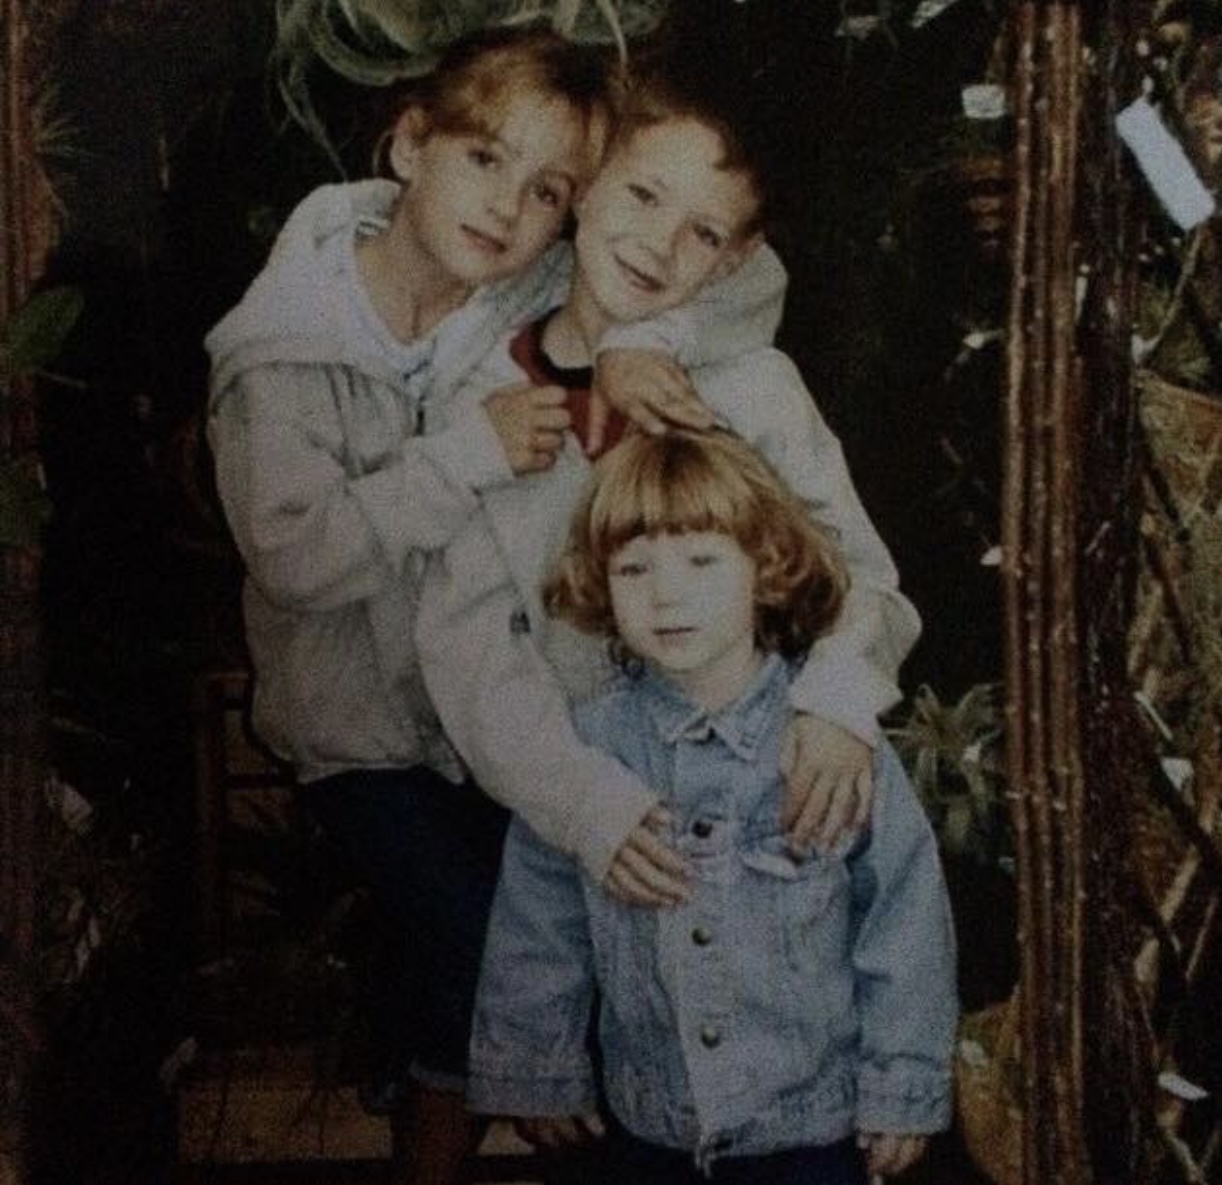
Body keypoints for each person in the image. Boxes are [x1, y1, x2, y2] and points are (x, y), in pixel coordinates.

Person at [205, 24, 785, 1185]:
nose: (508, 208)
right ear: (410, 141)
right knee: (489, 945)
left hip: (483, 720)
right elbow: (294, 559)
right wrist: (459, 459)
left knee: (500, 951)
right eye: (483, 162)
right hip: (361, 735)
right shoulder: (282, 349)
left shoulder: (507, 281)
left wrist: (642, 346)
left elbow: (749, 272)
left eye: (547, 191)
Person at [413, 51, 923, 911]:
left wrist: (837, 700)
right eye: (644, 196)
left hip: (755, 806)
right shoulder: (480, 402)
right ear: (585, 183)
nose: (660, 245)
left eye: (706, 233)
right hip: (564, 808)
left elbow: (862, 575)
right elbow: (471, 659)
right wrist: (586, 808)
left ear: (736, 259)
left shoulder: (756, 390)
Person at [468, 429, 958, 1184]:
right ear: (600, 584)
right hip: (648, 1125)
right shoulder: (586, 753)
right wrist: (537, 1064)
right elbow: (539, 917)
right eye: (633, 568)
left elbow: (903, 918)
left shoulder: (829, 747)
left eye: (701, 560)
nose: (666, 593)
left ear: (765, 568)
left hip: (810, 1130)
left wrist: (901, 1085)